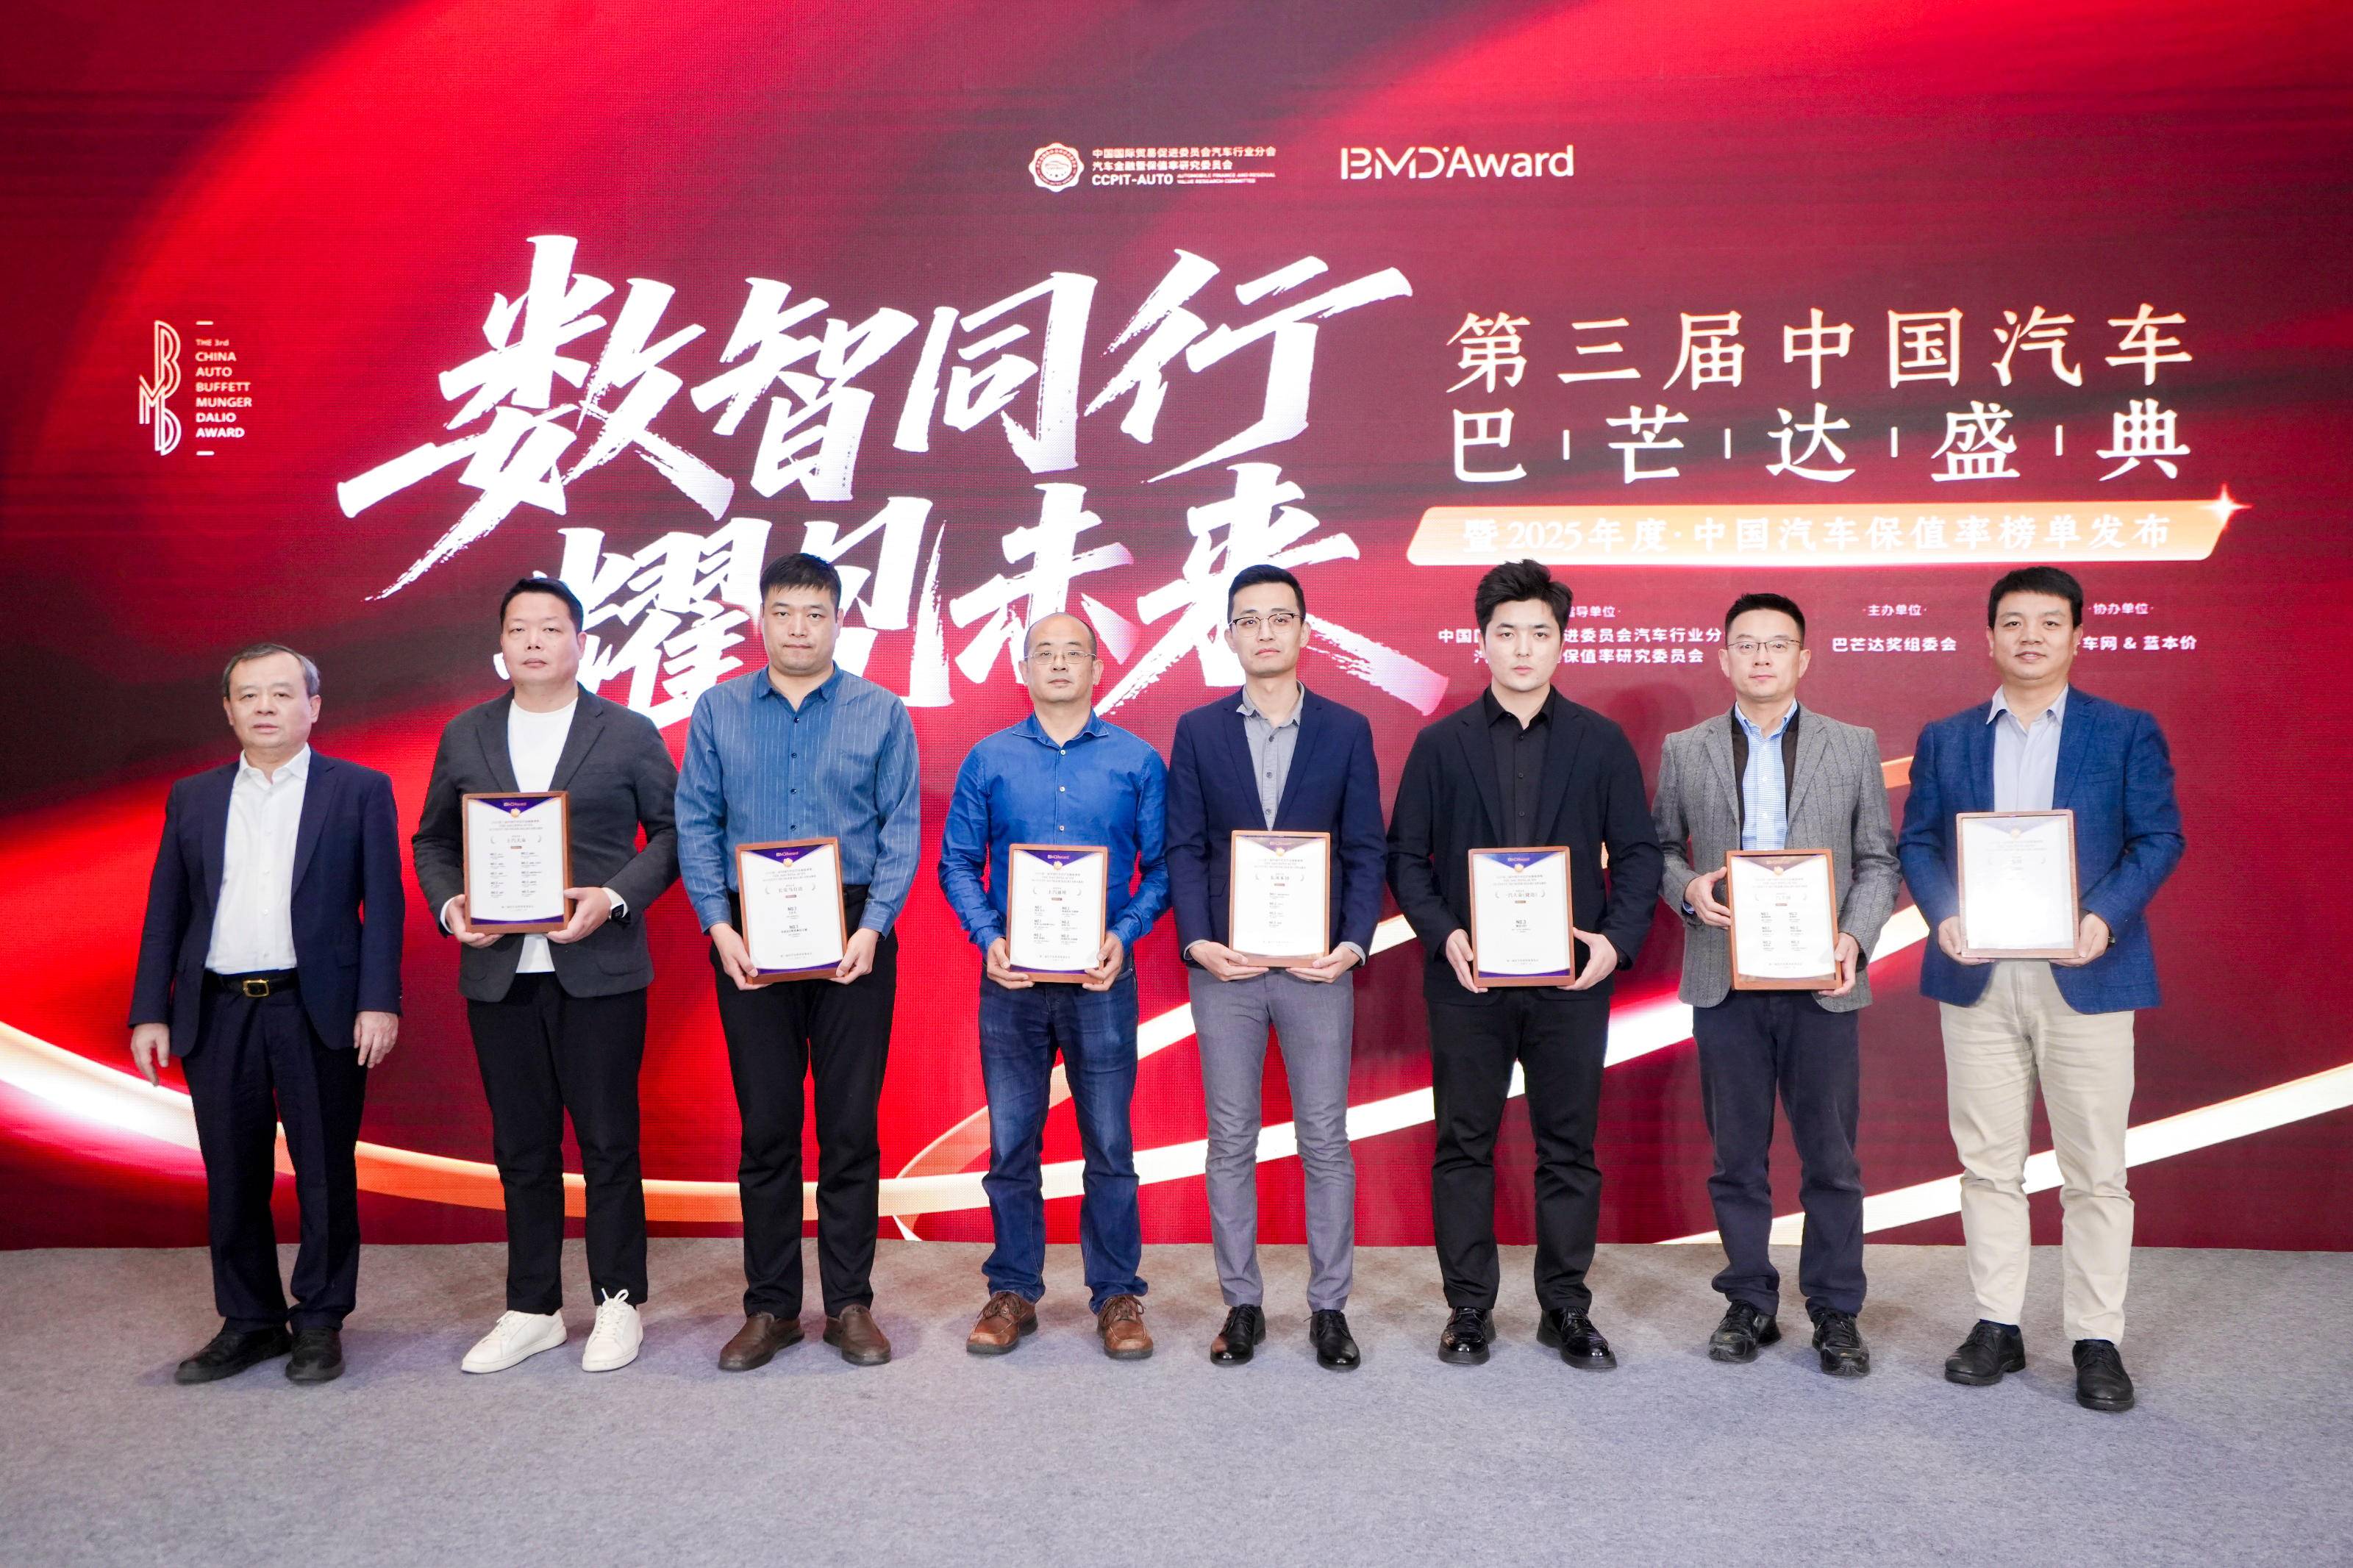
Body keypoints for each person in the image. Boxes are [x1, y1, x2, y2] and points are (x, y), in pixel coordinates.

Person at [1898, 566, 2184, 1414]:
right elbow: (1917, 843)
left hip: (2087, 972)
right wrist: (1943, 913)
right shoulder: (1946, 737)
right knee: (1986, 1165)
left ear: (2075, 635)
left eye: (2048, 622)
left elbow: (2157, 838)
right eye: (2013, 622)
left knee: (2094, 1171)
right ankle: (1997, 1324)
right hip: (1976, 977)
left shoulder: (2124, 731)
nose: (2029, 636)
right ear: (1987, 636)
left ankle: (2095, 1338)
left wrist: (2101, 919)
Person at [1386, 560, 1662, 1368]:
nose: (1521, 648)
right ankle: (1468, 1306)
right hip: (1468, 977)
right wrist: (1444, 934)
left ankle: (1565, 1306)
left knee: (1567, 1146)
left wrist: (1612, 942)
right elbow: (1405, 857)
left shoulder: (1599, 742)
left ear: (1560, 644)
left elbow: (1638, 854)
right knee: (1463, 1143)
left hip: (1568, 978)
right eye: (1505, 633)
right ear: (1481, 642)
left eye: (1539, 633)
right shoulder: (1440, 745)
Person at [411, 578, 679, 1375]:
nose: (534, 641)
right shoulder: (466, 733)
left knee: (608, 1142)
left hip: (598, 968)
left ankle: (618, 1302)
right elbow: (433, 841)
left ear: (580, 643)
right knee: (521, 1146)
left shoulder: (626, 731)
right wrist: (451, 905)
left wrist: (613, 899)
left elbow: (673, 835)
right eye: (519, 628)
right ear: (500, 645)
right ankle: (532, 1307)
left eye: (551, 628)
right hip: (499, 972)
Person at [128, 644, 403, 1385]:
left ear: (314, 706)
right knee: (231, 1171)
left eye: (281, 693)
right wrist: (150, 1009)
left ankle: (319, 1319)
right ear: (228, 710)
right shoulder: (194, 796)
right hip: (218, 1010)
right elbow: (166, 909)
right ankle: (249, 1320)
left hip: (317, 1007)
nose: (265, 707)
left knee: (324, 1171)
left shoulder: (359, 790)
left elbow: (384, 907)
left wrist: (379, 1001)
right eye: (248, 695)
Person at [676, 553, 920, 1371]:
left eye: (815, 614)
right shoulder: (717, 710)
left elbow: (900, 828)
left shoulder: (881, 711)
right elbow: (696, 823)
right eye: (783, 612)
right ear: (762, 620)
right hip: (750, 936)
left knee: (850, 1129)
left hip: (853, 932)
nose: (798, 629)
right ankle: (772, 1307)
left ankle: (849, 1304)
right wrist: (717, 926)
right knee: (768, 1129)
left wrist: (874, 926)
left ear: (838, 622)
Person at [1651, 592, 1901, 1375]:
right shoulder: (1685, 748)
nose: (1761, 656)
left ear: (1803, 657)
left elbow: (1878, 860)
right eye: (1746, 644)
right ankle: (1748, 1299)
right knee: (1735, 1156)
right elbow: (1658, 848)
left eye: (1777, 643)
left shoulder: (1851, 745)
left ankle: (1835, 1308)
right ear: (1723, 657)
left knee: (1831, 1157)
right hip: (1724, 977)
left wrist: (1854, 937)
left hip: (1822, 979)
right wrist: (1686, 888)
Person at [1163, 565, 1384, 1371]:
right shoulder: (1198, 730)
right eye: (1248, 619)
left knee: (1325, 1137)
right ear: (1228, 635)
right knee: (1230, 1138)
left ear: (1303, 631)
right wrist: (1197, 940)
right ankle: (1242, 1304)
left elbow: (1366, 847)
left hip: (1318, 968)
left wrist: (1352, 944)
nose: (1264, 632)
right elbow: (1184, 846)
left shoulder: (1346, 728)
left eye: (1279, 617)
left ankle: (1329, 1309)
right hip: (1224, 966)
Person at [938, 612, 1170, 1361]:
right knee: (1012, 1144)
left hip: (1103, 980)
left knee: (1110, 1143)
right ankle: (1012, 1290)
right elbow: (956, 862)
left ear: (1098, 669)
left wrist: (1123, 933)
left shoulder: (1137, 761)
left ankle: (1117, 1294)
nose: (1060, 663)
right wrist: (988, 938)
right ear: (1024, 669)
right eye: (1046, 652)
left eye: (1075, 652)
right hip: (1011, 982)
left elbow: (1163, 868)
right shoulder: (988, 759)